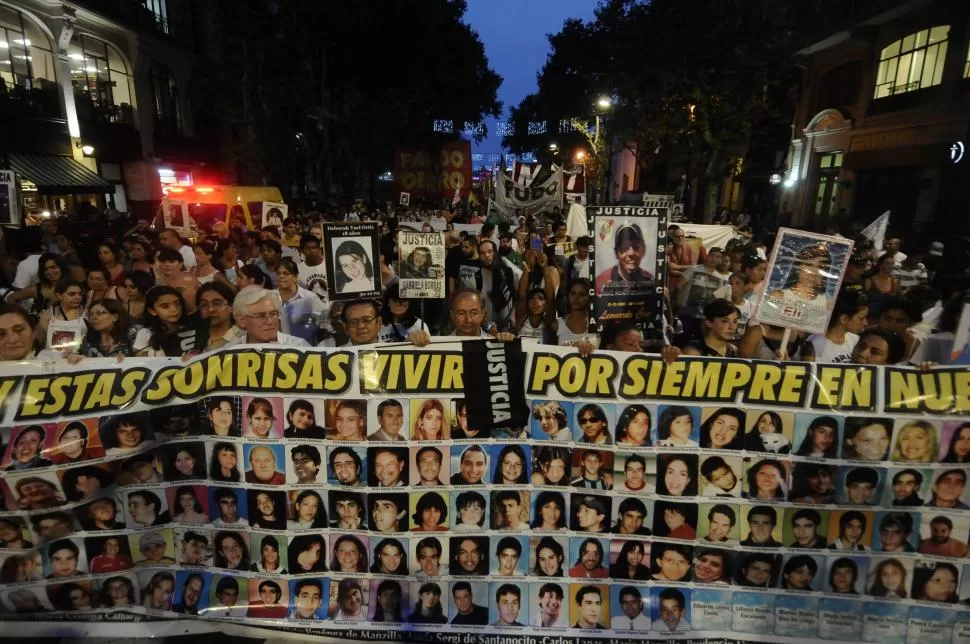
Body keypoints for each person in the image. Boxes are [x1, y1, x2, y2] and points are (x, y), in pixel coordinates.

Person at [230, 286, 309, 346]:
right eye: (261, 316)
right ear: (241, 320)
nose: (270, 321)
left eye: (273, 314)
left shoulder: (299, 347)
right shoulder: (230, 352)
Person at [803, 290, 868, 363]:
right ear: (844, 319)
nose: (866, 323)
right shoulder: (814, 344)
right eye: (861, 318)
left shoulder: (856, 341)